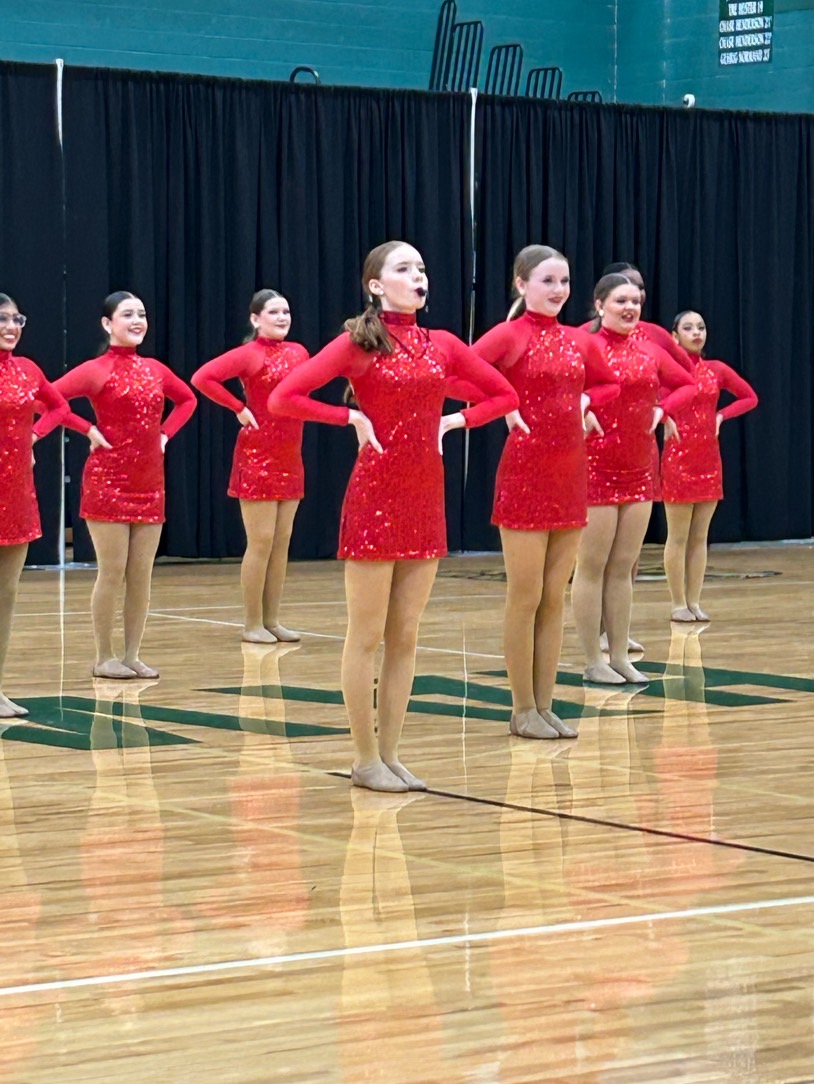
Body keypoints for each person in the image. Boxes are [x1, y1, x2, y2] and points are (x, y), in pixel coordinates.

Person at [270, 240, 519, 792]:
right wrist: (348, 417)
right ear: (376, 286)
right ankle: (363, 758)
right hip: (375, 496)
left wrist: (457, 423)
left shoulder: (445, 344)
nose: (418, 275)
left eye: (422, 267)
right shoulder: (357, 344)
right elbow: (283, 398)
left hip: (425, 497)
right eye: (404, 268)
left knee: (405, 636)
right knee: (365, 635)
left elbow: (504, 394)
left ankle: (391, 753)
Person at [472, 244, 619, 740]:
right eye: (547, 281)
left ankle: (546, 703)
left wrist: (583, 398)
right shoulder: (508, 336)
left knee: (554, 596)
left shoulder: (580, 341)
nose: (558, 290)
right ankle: (521, 707)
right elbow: (456, 376)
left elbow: (609, 386)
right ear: (521, 284)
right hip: (525, 473)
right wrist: (503, 405)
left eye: (564, 281)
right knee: (526, 594)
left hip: (570, 473)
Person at [55, 292, 197, 678]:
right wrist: (86, 428)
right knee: (112, 571)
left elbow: (187, 401)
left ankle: (133, 654)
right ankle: (104, 657)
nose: (137, 321)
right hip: (108, 480)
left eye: (142, 314)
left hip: (150, 480)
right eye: (128, 314)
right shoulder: (95, 369)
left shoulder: (155, 369)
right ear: (107, 324)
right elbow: (47, 399)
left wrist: (165, 434)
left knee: (141, 574)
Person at [571, 274, 696, 684]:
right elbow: (554, 385)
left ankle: (621, 655)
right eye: (621, 300)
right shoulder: (584, 345)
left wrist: (663, 411)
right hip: (593, 467)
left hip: (640, 466)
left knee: (623, 567)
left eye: (636, 302)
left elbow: (688, 384)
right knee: (591, 566)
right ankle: (593, 660)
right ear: (599, 304)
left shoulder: (649, 350)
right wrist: (581, 406)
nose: (629, 308)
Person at [0, 294, 109, 717]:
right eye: (3, 319)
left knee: (6, 595)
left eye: (17, 319)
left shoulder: (27, 370)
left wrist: (31, 436)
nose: (12, 326)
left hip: (15, 492)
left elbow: (60, 406)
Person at [192, 290, 308, 643]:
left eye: (286, 311)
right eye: (274, 312)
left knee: (282, 541)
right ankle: (252, 623)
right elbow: (203, 378)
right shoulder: (249, 355)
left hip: (290, 454)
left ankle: (272, 619)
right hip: (257, 456)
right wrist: (237, 407)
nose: (282, 317)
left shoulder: (299, 352)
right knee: (260, 541)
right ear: (256, 319)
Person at [661, 309, 757, 622]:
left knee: (700, 536)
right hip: (677, 457)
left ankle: (695, 601)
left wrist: (720, 415)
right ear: (674, 336)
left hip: (708, 457)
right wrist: (661, 415)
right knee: (677, 536)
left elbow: (749, 397)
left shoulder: (715, 369)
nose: (696, 332)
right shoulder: (667, 370)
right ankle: (677, 603)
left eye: (701, 327)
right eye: (688, 328)